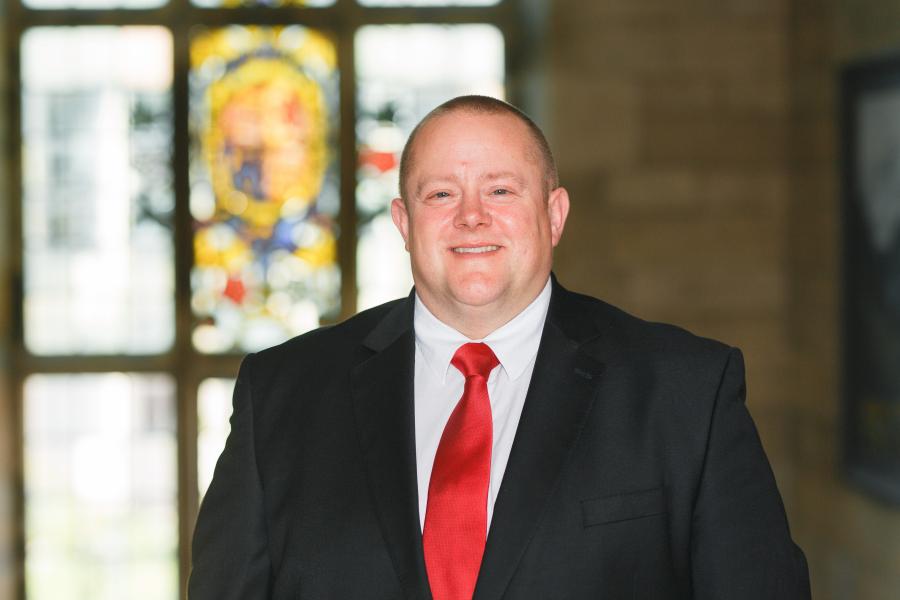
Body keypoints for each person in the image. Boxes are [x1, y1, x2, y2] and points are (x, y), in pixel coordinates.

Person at [189, 95, 811, 599]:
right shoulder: (281, 394)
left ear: (555, 214)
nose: (471, 217)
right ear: (404, 224)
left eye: (501, 190)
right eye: (441, 195)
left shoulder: (687, 392)